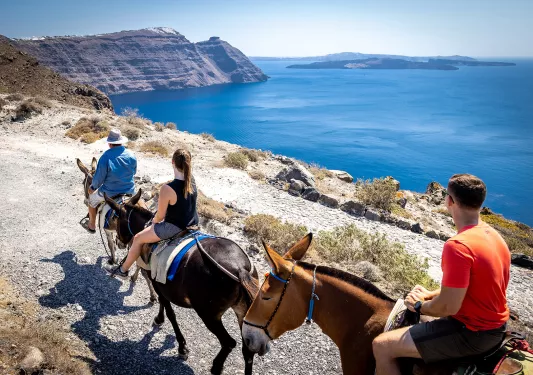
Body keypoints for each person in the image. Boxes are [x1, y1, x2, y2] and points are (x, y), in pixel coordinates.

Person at [372, 174, 510, 374]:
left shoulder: (458, 246)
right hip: (496, 328)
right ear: (480, 203)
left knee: (382, 346)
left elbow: (448, 307)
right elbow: (472, 287)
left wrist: (419, 306)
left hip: (472, 333)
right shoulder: (493, 235)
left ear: (449, 201)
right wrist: (429, 294)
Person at [105, 148, 199, 279]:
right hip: (193, 224)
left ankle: (123, 270)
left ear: (172, 162)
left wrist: (154, 222)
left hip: (174, 228)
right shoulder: (192, 181)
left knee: (138, 239)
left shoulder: (167, 188)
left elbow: (159, 216)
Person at [81, 129, 137, 233]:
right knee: (141, 202)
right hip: (130, 190)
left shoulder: (105, 157)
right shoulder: (131, 155)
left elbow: (99, 178)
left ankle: (92, 226)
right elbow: (134, 172)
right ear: (121, 142)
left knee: (92, 201)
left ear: (109, 143)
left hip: (110, 192)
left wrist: (92, 187)